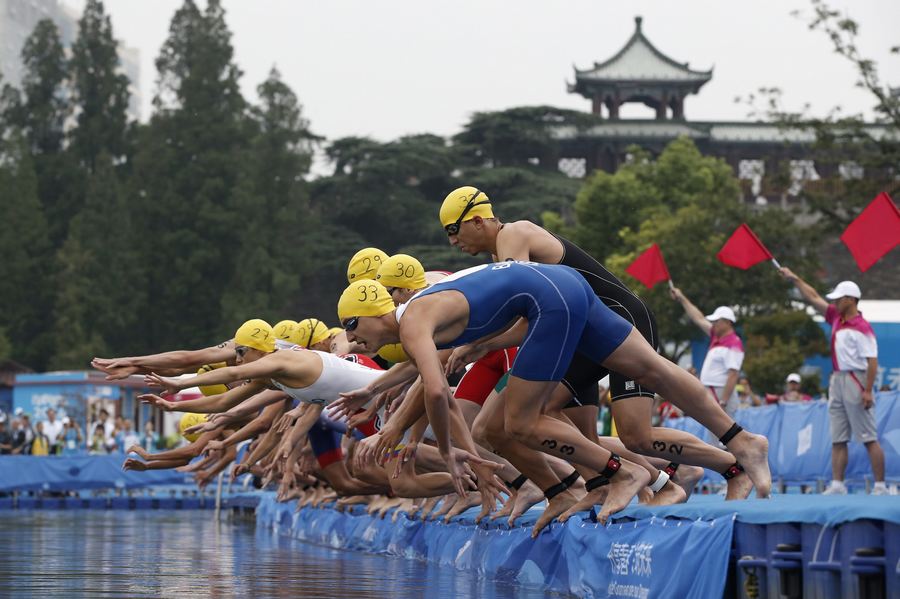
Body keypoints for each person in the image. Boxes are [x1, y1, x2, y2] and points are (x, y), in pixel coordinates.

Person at [337, 262, 771, 525]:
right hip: (569, 286)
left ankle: (622, 472)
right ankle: (741, 441)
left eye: (353, 332)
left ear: (367, 315)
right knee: (653, 368)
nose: (354, 344)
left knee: (517, 424)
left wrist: (448, 451)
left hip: (547, 305)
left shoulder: (412, 322)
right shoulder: (420, 309)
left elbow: (435, 392)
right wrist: (374, 389)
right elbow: (420, 368)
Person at [779, 271, 888, 495]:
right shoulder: (836, 318)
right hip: (837, 380)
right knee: (838, 437)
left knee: (868, 437)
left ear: (851, 299)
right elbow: (813, 297)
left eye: (839, 299)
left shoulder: (863, 327)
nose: (835, 302)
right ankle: (838, 484)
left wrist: (868, 390)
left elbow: (873, 361)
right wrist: (795, 278)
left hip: (856, 379)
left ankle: (880, 485)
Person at [670, 289, 744, 417]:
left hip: (721, 393)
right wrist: (682, 298)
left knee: (725, 434)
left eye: (717, 321)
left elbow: (733, 374)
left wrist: (723, 401)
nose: (713, 324)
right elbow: (698, 318)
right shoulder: (716, 336)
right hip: (713, 392)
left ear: (728, 322)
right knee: (717, 434)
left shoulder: (734, 343)